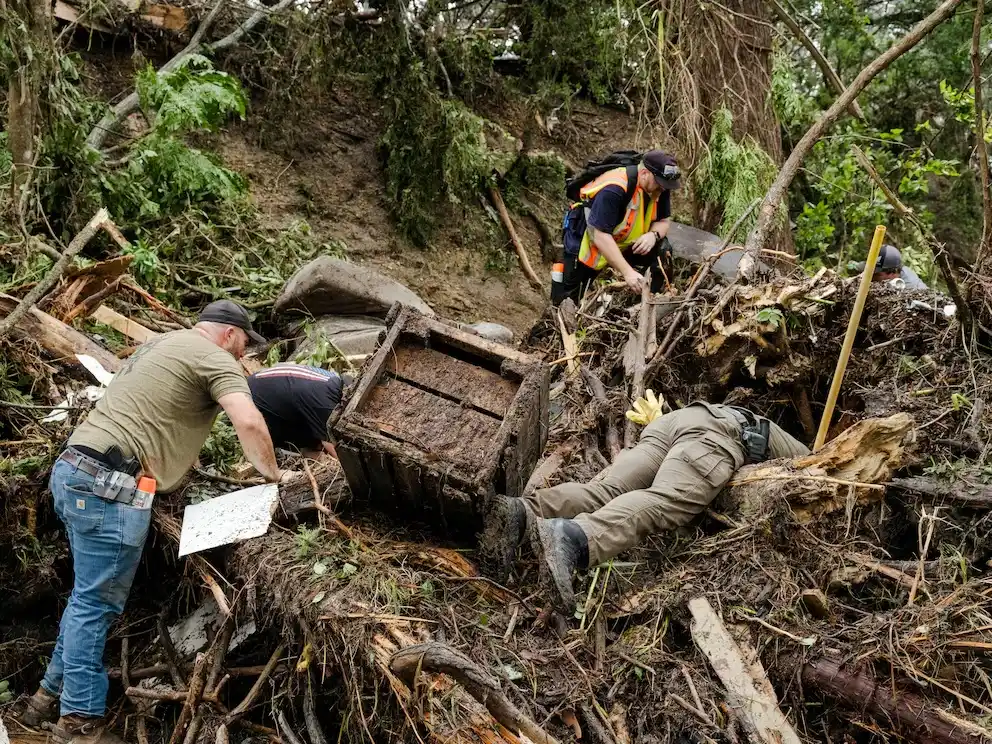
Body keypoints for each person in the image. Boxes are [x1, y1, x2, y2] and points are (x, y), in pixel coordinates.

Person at [18, 300, 296, 744]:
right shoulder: (216, 358)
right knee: (95, 605)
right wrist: (275, 476)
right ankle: (80, 722)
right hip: (110, 488)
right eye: (245, 342)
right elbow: (247, 420)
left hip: (73, 472)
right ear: (228, 333)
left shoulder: (162, 343)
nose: (245, 353)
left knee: (86, 598)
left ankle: (44, 700)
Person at [478, 401, 809, 611]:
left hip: (676, 422)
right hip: (721, 435)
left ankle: (522, 513)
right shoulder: (815, 465)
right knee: (665, 501)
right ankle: (573, 537)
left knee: (607, 490)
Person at [552, 150, 682, 306]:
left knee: (662, 249)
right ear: (644, 173)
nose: (663, 189)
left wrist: (652, 235)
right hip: (588, 240)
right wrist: (627, 273)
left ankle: (643, 304)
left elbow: (664, 220)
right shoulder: (615, 189)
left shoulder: (660, 186)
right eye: (660, 184)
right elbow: (600, 236)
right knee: (567, 299)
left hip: (623, 239)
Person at [247, 363, 348, 456]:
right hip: (253, 399)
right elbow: (332, 445)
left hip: (270, 386)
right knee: (324, 435)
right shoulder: (325, 403)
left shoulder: (333, 381)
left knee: (315, 423)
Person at [858, 244, 928, 289]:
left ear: (892, 273)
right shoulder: (894, 270)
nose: (871, 277)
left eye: (876, 274)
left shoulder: (910, 289)